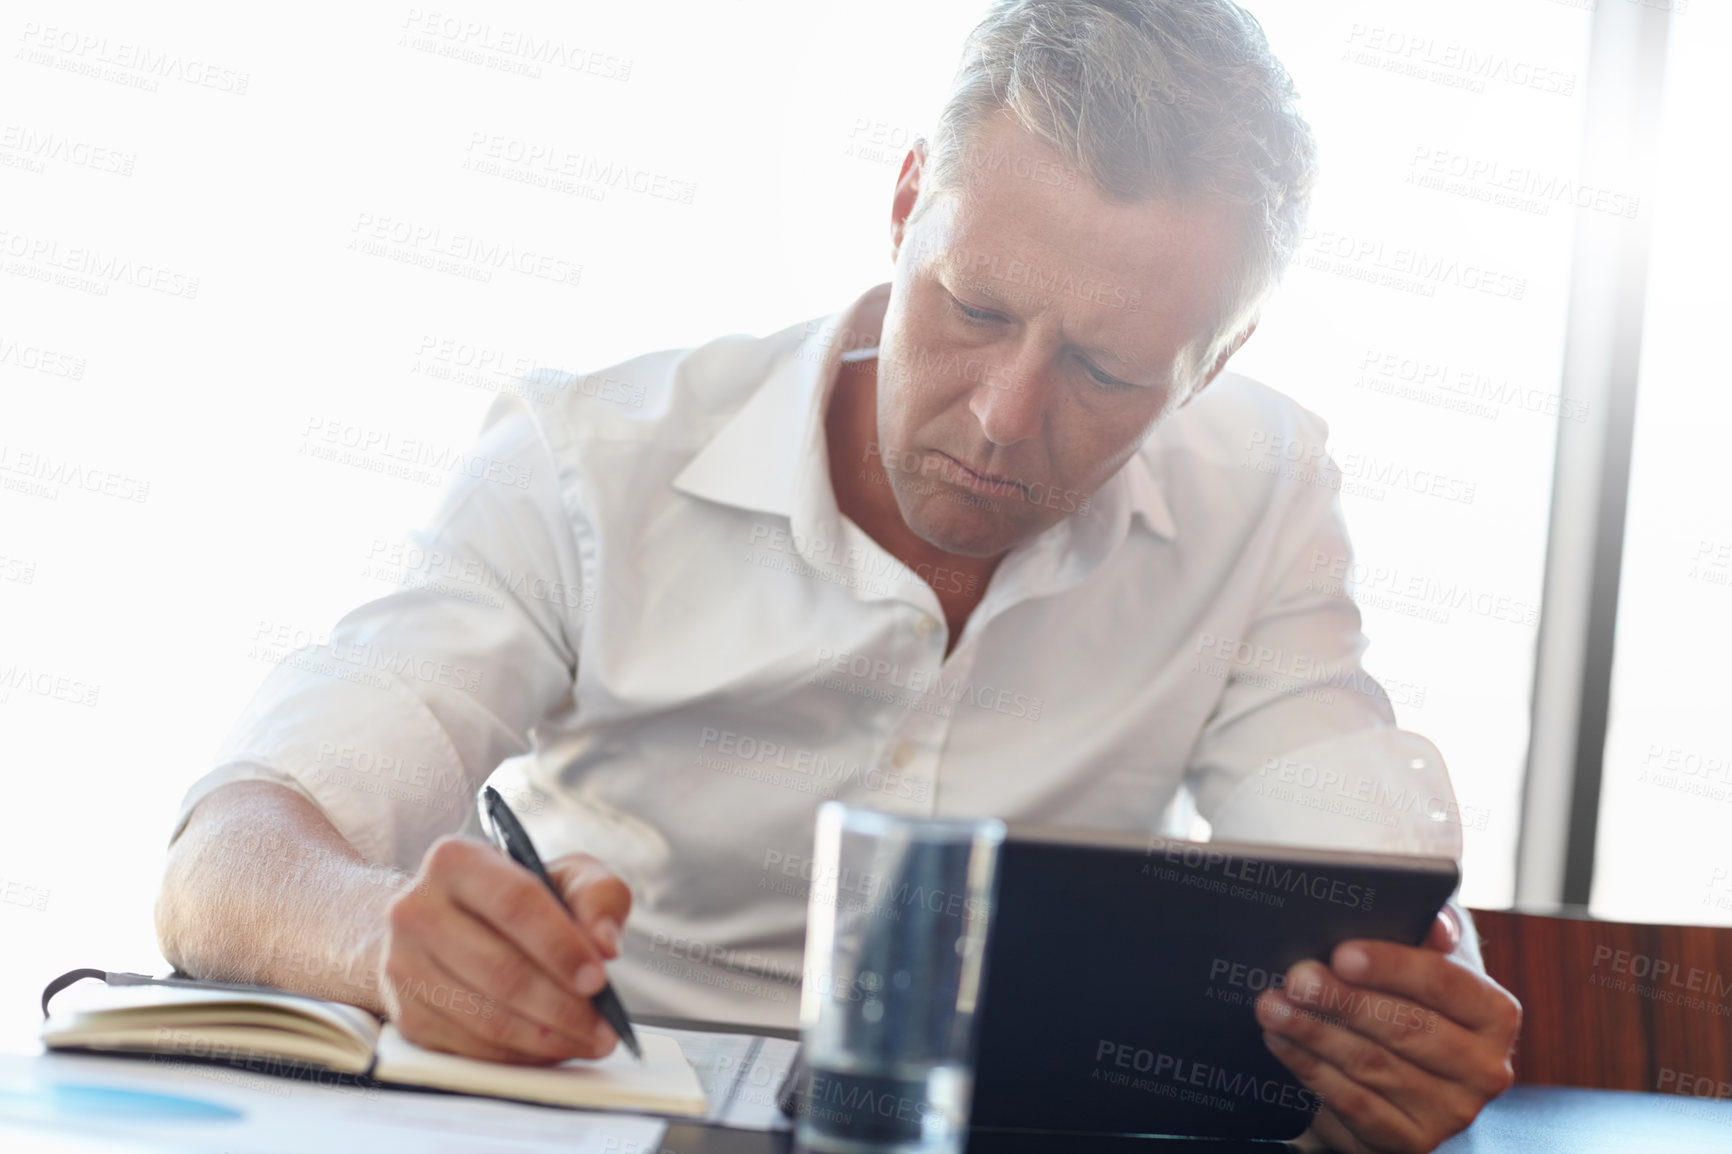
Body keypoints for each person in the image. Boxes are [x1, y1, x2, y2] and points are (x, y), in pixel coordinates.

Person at [155, 1, 1520, 1149]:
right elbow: (229, 861)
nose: (1002, 414)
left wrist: (1405, 1014)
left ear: (1213, 363)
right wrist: (373, 934)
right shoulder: (587, 464)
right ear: (908, 200)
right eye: (975, 308)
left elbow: (1362, 874)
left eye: (1107, 371)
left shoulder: (1265, 485)